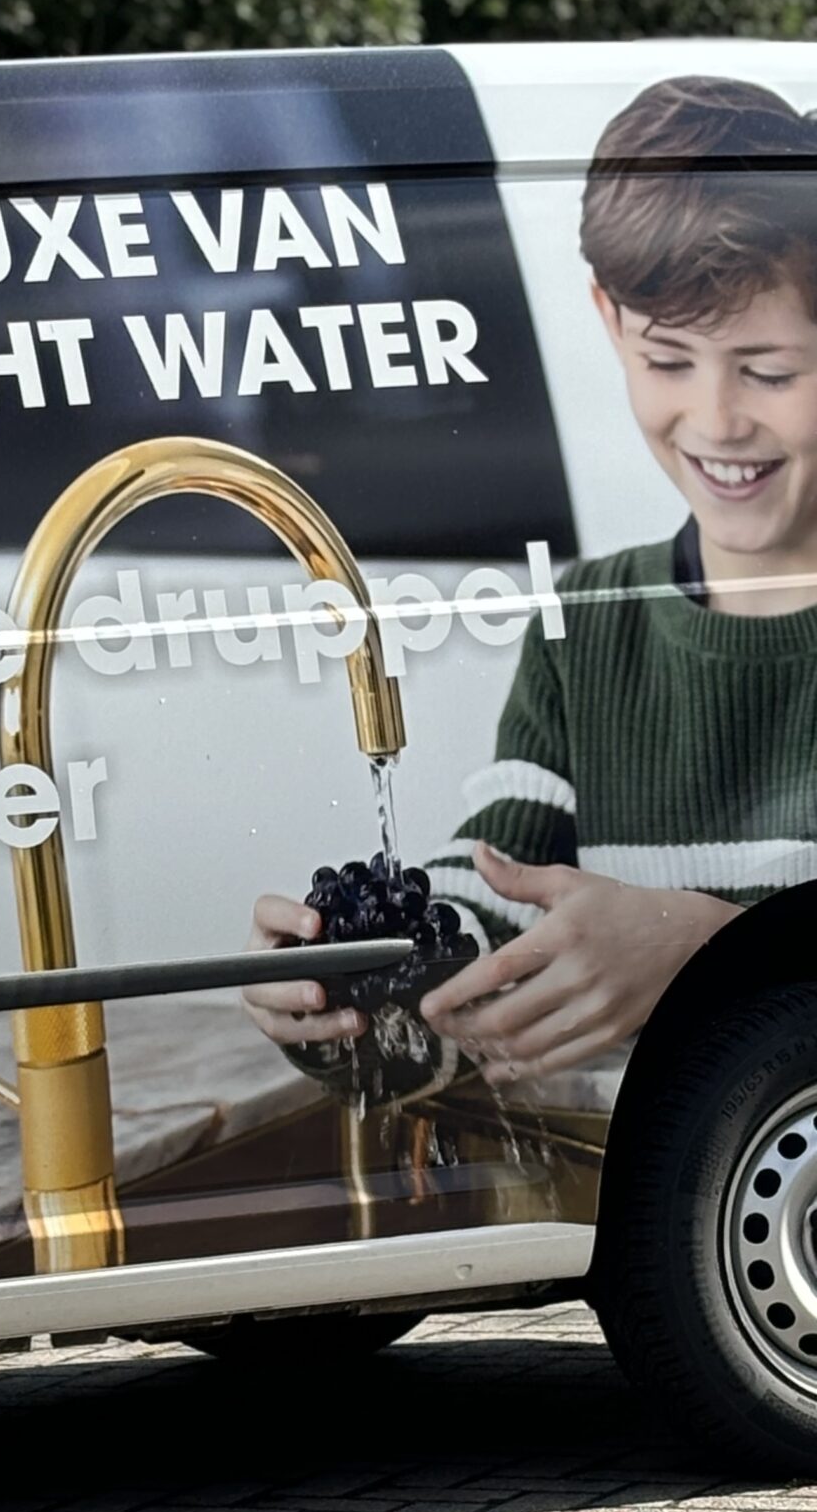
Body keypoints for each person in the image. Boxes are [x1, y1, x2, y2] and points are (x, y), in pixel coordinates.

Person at [243, 75, 817, 1081]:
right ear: (608, 319)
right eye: (669, 362)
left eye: (768, 371)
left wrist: (704, 947)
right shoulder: (585, 624)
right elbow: (498, 882)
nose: (718, 419)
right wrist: (376, 966)